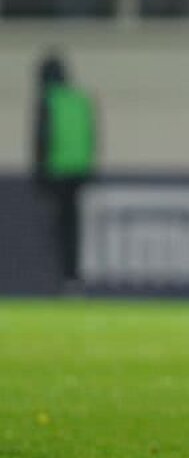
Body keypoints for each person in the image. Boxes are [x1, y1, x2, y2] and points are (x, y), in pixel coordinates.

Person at [32, 52, 97, 288]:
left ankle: (60, 277)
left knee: (58, 228)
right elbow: (92, 135)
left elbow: (42, 139)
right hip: (79, 172)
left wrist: (39, 173)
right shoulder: (81, 100)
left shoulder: (48, 100)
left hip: (57, 172)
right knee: (73, 227)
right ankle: (73, 277)